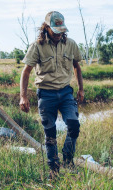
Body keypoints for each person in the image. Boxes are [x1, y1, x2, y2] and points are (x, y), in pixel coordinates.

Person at [19, 11, 84, 178]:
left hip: (65, 93)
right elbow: (26, 72)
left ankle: (68, 160)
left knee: (74, 124)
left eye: (61, 30)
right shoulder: (37, 46)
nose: (58, 34)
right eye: (55, 31)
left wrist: (81, 89)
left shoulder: (70, 44)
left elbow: (77, 66)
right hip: (46, 94)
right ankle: (54, 169)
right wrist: (23, 96)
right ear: (46, 28)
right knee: (50, 133)